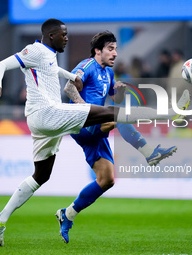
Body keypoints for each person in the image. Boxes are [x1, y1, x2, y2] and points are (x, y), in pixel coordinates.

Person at [0, 19, 190, 247]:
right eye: (63, 35)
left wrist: (75, 78)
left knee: (55, 176)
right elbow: (2, 67)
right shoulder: (39, 51)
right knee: (114, 115)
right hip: (55, 115)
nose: (67, 38)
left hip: (53, 121)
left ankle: (5, 218)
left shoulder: (57, 58)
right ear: (51, 35)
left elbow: (58, 73)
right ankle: (169, 116)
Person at [56, 31, 179, 243]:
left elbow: (113, 97)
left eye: (116, 49)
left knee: (107, 180)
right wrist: (85, 109)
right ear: (98, 51)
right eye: (110, 49)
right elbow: (68, 87)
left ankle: (67, 215)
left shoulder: (108, 74)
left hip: (96, 129)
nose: (115, 54)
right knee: (119, 114)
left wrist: (119, 92)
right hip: (81, 123)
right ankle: (150, 151)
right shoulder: (87, 66)